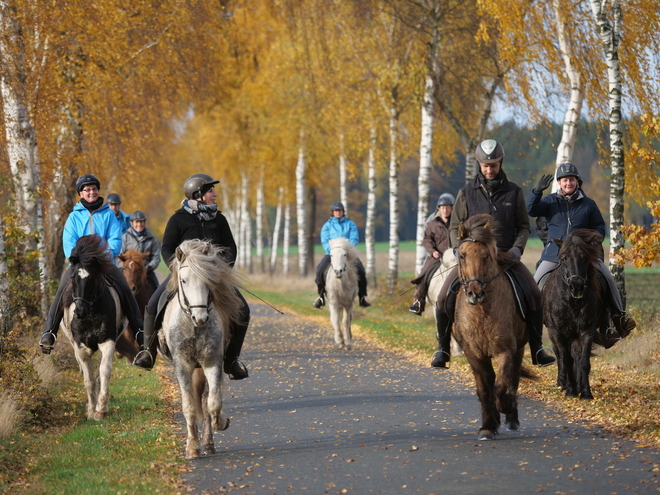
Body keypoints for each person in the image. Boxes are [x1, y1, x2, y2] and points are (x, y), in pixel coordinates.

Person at [432, 139, 556, 369]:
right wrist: (460, 248)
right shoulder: (466, 192)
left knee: (535, 294)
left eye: (494, 165)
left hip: (506, 258)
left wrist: (517, 248)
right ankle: (443, 348)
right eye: (486, 165)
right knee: (442, 298)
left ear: (501, 163)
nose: (490, 170)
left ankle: (538, 348)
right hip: (473, 261)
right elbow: (454, 225)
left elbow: (523, 227)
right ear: (480, 164)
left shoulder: (514, 192)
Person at [133, 174, 251, 380]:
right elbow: (167, 248)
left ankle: (231, 360)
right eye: (210, 191)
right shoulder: (178, 219)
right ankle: (148, 352)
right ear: (198, 194)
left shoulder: (219, 219)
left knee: (243, 310)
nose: (214, 194)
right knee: (152, 305)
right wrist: (178, 269)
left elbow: (230, 246)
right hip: (184, 275)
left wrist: (224, 269)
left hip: (214, 278)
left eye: (213, 191)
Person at [38, 174, 148, 368]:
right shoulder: (74, 216)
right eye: (87, 189)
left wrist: (102, 256)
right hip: (79, 264)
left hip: (104, 264)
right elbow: (69, 242)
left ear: (98, 191)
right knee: (63, 288)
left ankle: (140, 334)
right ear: (81, 193)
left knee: (124, 287)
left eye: (94, 189)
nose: (91, 192)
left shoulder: (108, 215)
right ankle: (50, 333)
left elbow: (115, 240)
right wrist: (78, 258)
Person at [526, 162, 636, 346]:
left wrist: (593, 241)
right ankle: (529, 324)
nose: (568, 183)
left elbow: (600, 227)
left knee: (607, 277)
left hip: (584, 256)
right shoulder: (549, 201)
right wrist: (536, 192)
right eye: (564, 180)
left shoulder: (589, 204)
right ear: (559, 183)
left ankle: (617, 319)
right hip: (555, 254)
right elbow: (531, 210)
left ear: (578, 181)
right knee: (535, 282)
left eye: (571, 179)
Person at [313, 201, 371, 309]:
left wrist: (346, 250)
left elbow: (354, 239)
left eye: (340, 210)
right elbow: (325, 241)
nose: (338, 212)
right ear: (332, 212)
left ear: (343, 211)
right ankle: (321, 297)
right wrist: (333, 251)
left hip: (347, 254)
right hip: (332, 253)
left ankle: (362, 297)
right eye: (336, 211)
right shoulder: (327, 226)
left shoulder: (350, 224)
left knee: (361, 271)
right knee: (319, 270)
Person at [409, 193, 454, 315]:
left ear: (452, 208)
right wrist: (433, 251)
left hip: (455, 257)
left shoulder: (457, 224)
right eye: (443, 207)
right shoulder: (432, 224)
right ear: (439, 208)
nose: (445, 210)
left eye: (448, 207)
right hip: (437, 256)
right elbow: (427, 240)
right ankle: (418, 301)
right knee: (424, 275)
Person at [117, 211, 161, 292]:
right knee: (117, 288)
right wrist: (125, 268)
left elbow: (156, 257)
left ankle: (156, 304)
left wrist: (148, 267)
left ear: (144, 223)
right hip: (128, 271)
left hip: (146, 271)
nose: (139, 224)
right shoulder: (125, 237)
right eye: (137, 222)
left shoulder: (151, 238)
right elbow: (119, 256)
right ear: (131, 223)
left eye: (141, 222)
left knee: (157, 288)